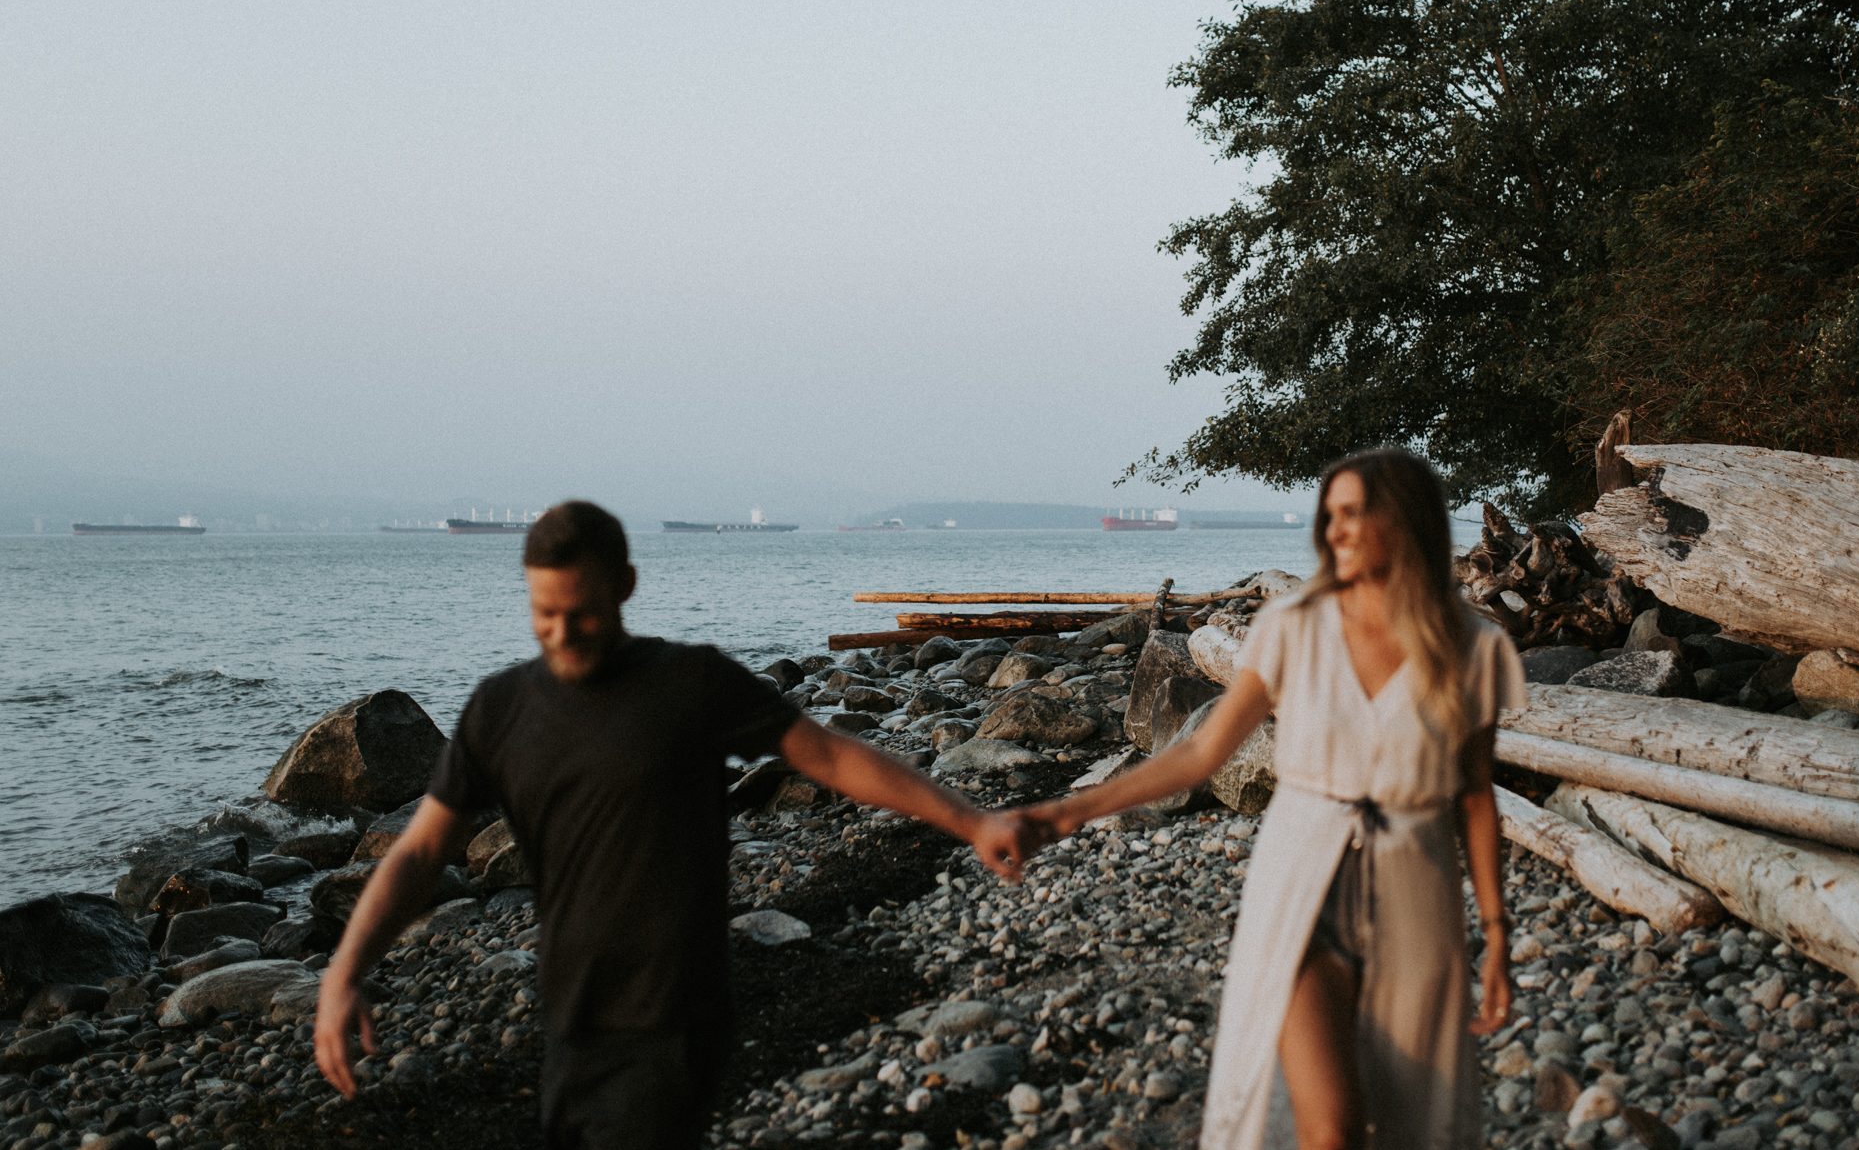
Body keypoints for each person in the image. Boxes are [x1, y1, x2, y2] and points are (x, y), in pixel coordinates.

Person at [314, 500, 1030, 1148]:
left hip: (670, 1018)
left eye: (582, 613)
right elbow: (420, 851)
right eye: (544, 615)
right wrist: (346, 967)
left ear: (624, 585)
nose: (562, 634)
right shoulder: (500, 710)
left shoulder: (689, 683)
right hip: (568, 1017)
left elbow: (831, 755)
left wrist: (969, 820)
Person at [1019, 449, 1522, 1150]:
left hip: (1416, 892)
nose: (1336, 529)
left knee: (1413, 1117)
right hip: (1301, 887)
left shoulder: (1476, 646)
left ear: (1404, 522)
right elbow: (1200, 751)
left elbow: (1474, 795)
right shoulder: (1293, 625)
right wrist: (1067, 810)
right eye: (1330, 514)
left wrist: (1496, 936)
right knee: (1331, 1130)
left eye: (1355, 513)